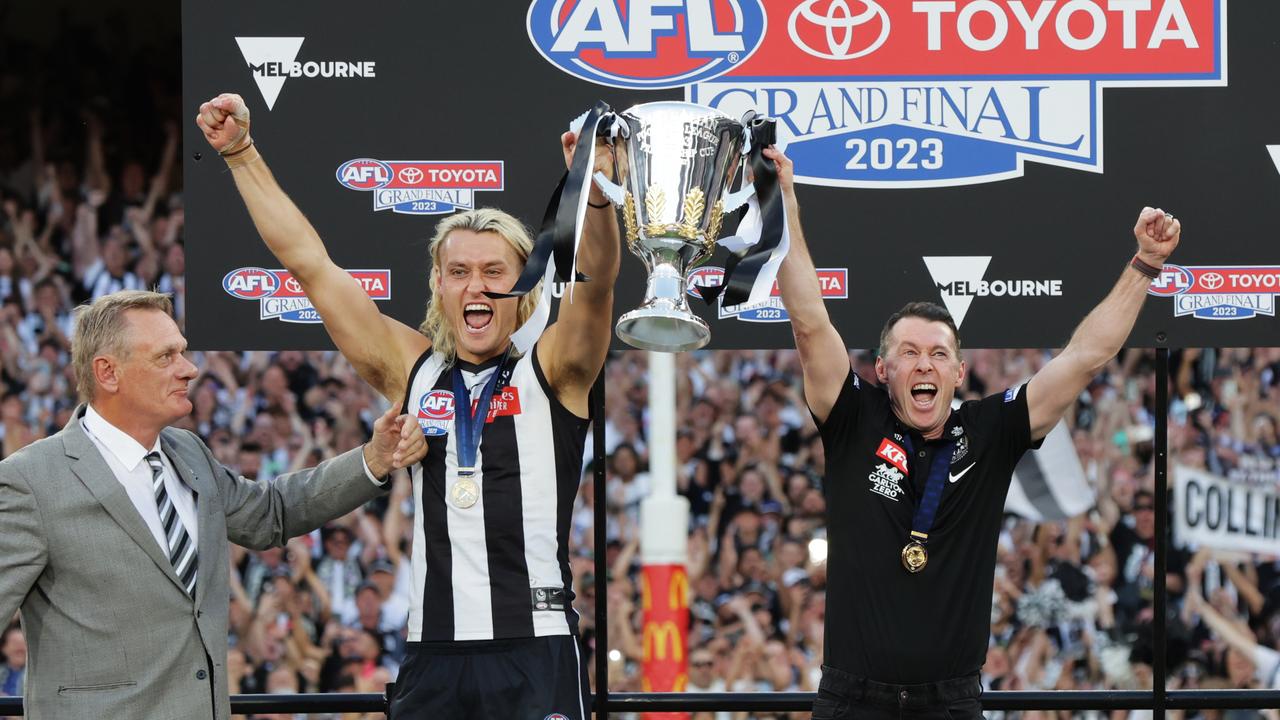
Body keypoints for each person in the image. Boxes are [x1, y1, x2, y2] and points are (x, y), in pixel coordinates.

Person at [197, 91, 619, 719]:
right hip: (432, 652)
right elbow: (309, 266)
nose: (476, 285)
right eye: (458, 272)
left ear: (523, 283)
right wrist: (240, 154)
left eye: (493, 272)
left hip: (535, 650)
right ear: (439, 286)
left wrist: (595, 190)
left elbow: (596, 284)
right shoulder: (412, 369)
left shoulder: (554, 370)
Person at [767, 145, 1182, 720]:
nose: (924, 365)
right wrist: (782, 197)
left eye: (939, 354)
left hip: (952, 703)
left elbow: (1087, 356)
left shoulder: (990, 429)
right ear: (883, 370)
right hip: (851, 700)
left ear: (959, 372)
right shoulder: (853, 417)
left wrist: (1144, 264)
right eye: (908, 353)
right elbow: (810, 322)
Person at [0, 290, 426, 720]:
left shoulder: (187, 452)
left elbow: (270, 513)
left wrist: (372, 459)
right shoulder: (30, 482)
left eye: (183, 352)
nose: (190, 369)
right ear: (108, 372)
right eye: (166, 357)